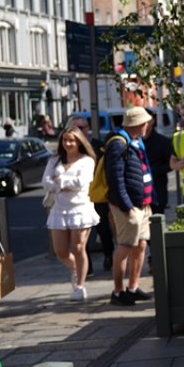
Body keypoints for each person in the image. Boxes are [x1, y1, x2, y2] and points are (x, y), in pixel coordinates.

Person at [43, 127, 101, 301]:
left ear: (79, 141)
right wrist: (61, 184)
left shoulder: (87, 161)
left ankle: (80, 286)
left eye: (72, 140)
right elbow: (45, 181)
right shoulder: (55, 160)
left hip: (80, 208)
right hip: (59, 209)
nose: (68, 143)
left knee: (78, 247)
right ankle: (75, 268)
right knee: (60, 251)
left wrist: (58, 182)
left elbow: (81, 182)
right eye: (65, 140)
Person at [106, 106, 155, 307]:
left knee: (141, 244)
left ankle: (133, 288)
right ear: (137, 124)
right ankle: (118, 292)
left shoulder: (137, 142)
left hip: (142, 203)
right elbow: (115, 178)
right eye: (145, 123)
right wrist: (126, 205)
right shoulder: (119, 144)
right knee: (125, 246)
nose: (147, 126)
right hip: (128, 206)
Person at [75, 117, 114, 273]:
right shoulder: (71, 148)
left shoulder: (98, 146)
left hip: (98, 195)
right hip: (79, 197)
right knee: (80, 235)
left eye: (81, 127)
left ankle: (109, 255)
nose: (78, 131)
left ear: (88, 128)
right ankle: (87, 266)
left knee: (103, 230)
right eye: (75, 128)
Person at [143, 126, 173, 216]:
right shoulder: (133, 142)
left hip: (157, 190)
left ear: (152, 122)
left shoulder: (162, 141)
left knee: (157, 221)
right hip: (139, 193)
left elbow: (170, 164)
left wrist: (153, 170)